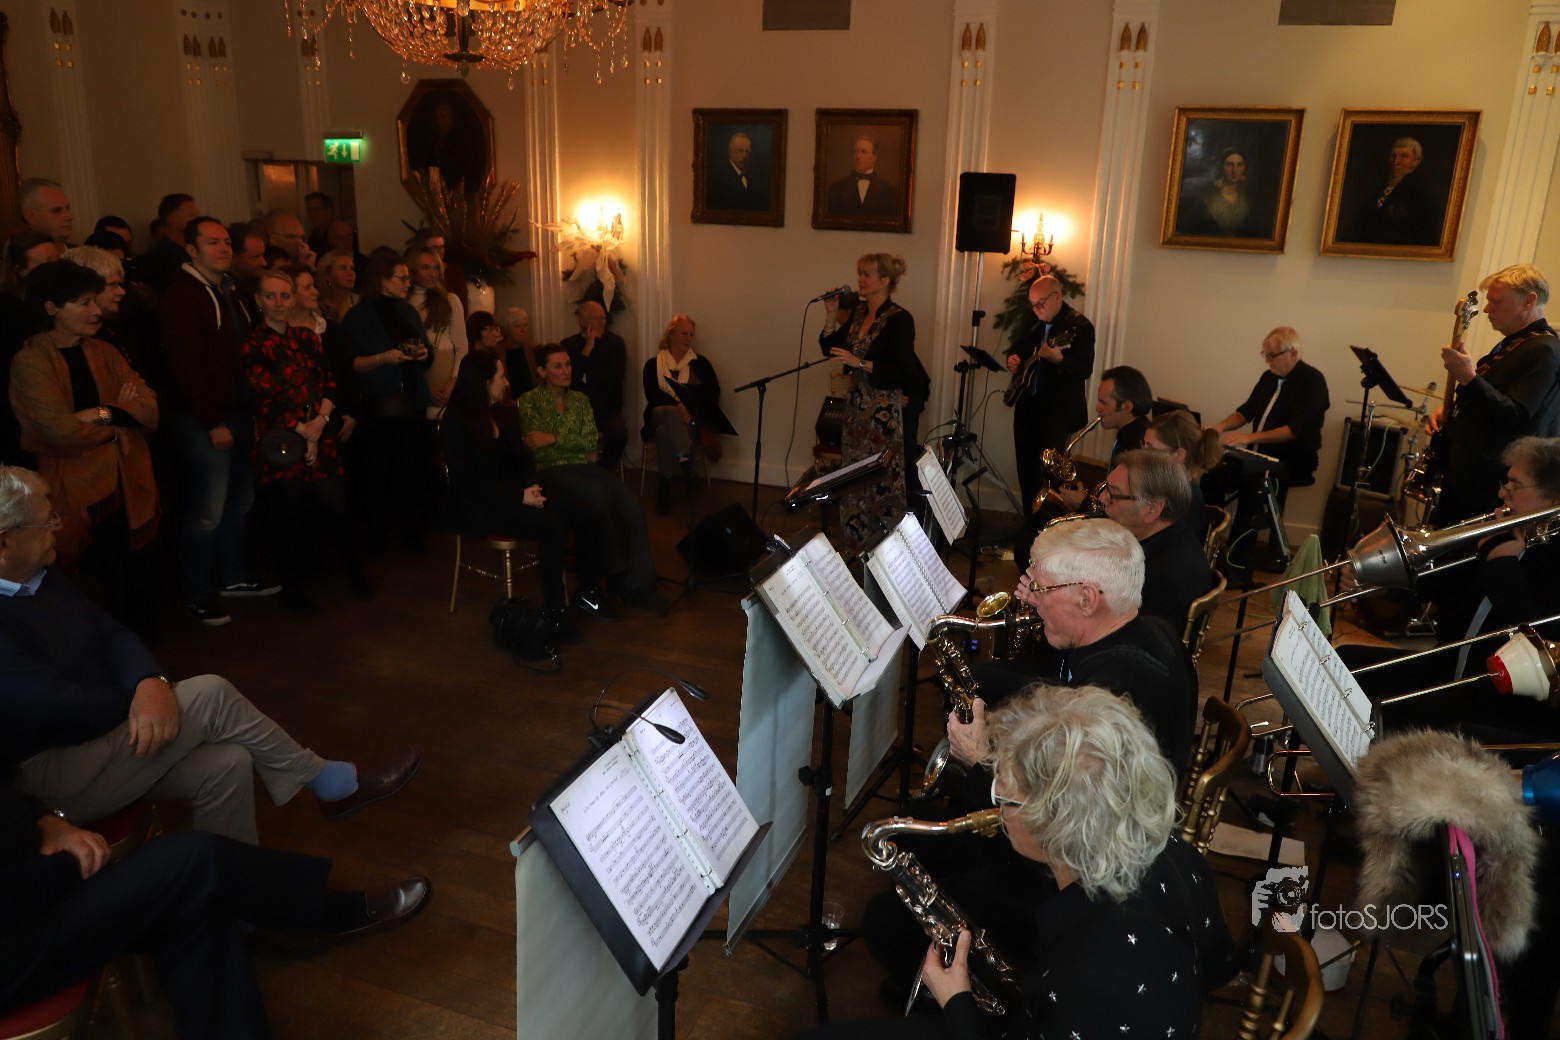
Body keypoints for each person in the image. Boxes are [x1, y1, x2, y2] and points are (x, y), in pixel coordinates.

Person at [0, 466, 422, 844]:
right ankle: (329, 782)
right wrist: (144, 700)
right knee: (210, 694)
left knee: (228, 762)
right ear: (4, 543)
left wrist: (150, 682)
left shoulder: (40, 575)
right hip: (53, 776)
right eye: (45, 521)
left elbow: (113, 636)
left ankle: (235, 897)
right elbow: (63, 707)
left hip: (101, 741)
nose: (56, 528)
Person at [818, 685, 1232, 1040]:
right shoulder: (1182, 857)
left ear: (1056, 823)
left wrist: (957, 1001)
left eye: (1005, 795)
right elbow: (1219, 967)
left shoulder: (1077, 980)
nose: (997, 803)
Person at [0, 778, 431, 1039]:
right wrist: (67, 865)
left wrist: (47, 820)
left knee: (194, 904)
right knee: (196, 859)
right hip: (14, 938)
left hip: (37, 879)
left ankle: (312, 914)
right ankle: (323, 914)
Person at [965, 518, 1198, 775]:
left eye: (1041, 588)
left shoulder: (1103, 701)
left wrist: (976, 758)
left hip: (1091, 790)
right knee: (974, 678)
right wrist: (1049, 608)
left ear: (1087, 599)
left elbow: (1055, 795)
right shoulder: (1155, 627)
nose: (1035, 597)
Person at [9, 260, 159, 635]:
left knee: (137, 573)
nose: (96, 310)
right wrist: (119, 421)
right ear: (52, 308)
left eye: (95, 300)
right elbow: (58, 431)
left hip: (125, 481)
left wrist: (100, 413)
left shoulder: (104, 351)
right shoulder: (31, 362)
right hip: (74, 490)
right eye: (83, 302)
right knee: (98, 581)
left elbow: (149, 408)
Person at [158, 217, 277, 626]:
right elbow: (185, 366)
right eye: (213, 243)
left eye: (226, 242)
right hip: (203, 418)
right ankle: (195, 594)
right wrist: (211, 420)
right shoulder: (183, 296)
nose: (224, 248)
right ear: (192, 249)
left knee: (240, 503)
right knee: (206, 511)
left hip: (239, 411)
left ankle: (233, 576)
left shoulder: (231, 289)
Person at [440, 352, 604, 632]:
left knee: (586, 512)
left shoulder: (501, 413)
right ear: (483, 383)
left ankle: (589, 592)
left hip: (513, 494)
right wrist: (520, 496)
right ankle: (554, 611)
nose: (506, 383)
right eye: (500, 377)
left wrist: (531, 487)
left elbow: (522, 460)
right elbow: (466, 485)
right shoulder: (456, 424)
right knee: (552, 526)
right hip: (478, 506)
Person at [242, 269, 368, 613]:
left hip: (319, 432)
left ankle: (357, 575)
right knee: (289, 516)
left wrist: (320, 423)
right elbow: (264, 399)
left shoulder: (307, 338)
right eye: (271, 296)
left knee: (339, 507)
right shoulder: (253, 345)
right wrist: (303, 430)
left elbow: (329, 383)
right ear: (259, 300)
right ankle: (292, 589)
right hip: (281, 441)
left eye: (284, 296)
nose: (278, 302)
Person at [517, 344, 666, 614]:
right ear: (542, 371)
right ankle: (615, 579)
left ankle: (641, 585)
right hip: (550, 470)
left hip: (583, 467)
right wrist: (570, 445)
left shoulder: (580, 400)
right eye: (557, 366)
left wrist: (553, 438)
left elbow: (591, 441)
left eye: (568, 364)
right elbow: (535, 446)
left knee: (631, 501)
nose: (566, 371)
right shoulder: (529, 401)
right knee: (600, 496)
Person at [1425, 264, 1559, 527]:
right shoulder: (1517, 343)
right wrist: (1454, 410)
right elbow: (1494, 400)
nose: (1487, 309)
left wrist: (1469, 378)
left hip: (1489, 490)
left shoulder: (1543, 349)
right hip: (1468, 482)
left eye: (1496, 302)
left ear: (1528, 301)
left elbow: (1517, 416)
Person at [818, 252, 928, 555]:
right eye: (860, 273)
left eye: (866, 274)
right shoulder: (858, 313)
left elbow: (902, 370)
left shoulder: (900, 319)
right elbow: (831, 348)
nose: (860, 280)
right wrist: (831, 314)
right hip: (856, 414)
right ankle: (855, 550)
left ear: (885, 281)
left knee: (881, 485)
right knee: (854, 482)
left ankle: (886, 556)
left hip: (882, 417)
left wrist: (860, 363)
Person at [1202, 326, 1330, 571]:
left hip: (1294, 459)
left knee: (1254, 488)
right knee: (1211, 476)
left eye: (1272, 355)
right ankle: (1208, 547)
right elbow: (1246, 411)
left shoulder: (1313, 381)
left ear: (1293, 353)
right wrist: (1220, 426)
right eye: (1266, 355)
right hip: (1259, 454)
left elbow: (1295, 430)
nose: (1268, 361)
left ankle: (1237, 565)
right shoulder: (1268, 378)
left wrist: (1248, 438)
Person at [341, 248, 435, 555]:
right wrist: (383, 358)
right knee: (379, 472)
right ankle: (378, 537)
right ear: (382, 279)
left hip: (411, 399)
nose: (408, 283)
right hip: (379, 404)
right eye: (402, 278)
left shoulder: (407, 311)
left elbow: (427, 353)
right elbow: (350, 365)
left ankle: (413, 533)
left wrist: (422, 353)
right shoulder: (357, 317)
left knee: (412, 470)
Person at [1004, 274, 1096, 528]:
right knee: (1026, 472)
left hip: (1056, 414)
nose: (1036, 309)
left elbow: (1084, 368)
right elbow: (1018, 348)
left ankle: (1049, 530)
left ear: (1057, 296)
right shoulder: (1037, 323)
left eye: (1040, 304)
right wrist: (1013, 359)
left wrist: (1060, 360)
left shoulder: (1079, 326)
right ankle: (1030, 526)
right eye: (1032, 304)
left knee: (1051, 478)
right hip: (1027, 410)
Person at [1102, 450, 1212, 627]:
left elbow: (1124, 636)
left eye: (1114, 493)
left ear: (1152, 509)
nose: (1102, 498)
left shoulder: (1164, 576)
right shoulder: (1174, 531)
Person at [643, 314, 720, 515]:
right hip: (660, 413)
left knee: (663, 432)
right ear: (671, 334)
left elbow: (713, 395)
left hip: (691, 422)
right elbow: (652, 395)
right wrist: (679, 407)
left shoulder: (700, 364)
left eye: (691, 335)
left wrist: (691, 410)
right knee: (670, 413)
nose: (688, 338)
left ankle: (665, 487)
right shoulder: (653, 364)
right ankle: (687, 468)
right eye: (684, 333)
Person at [561, 300, 628, 467]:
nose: (602, 322)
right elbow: (570, 381)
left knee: (619, 433)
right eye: (597, 319)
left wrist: (586, 378)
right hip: (576, 409)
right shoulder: (568, 345)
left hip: (607, 408)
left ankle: (602, 472)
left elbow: (615, 379)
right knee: (563, 433)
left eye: (603, 318)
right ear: (583, 321)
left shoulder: (615, 343)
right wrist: (587, 349)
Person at [406, 244, 467, 419]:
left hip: (447, 380)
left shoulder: (450, 300)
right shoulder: (403, 302)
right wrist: (424, 387)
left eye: (436, 268)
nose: (432, 273)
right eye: (425, 268)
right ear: (412, 269)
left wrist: (453, 382)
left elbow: (462, 347)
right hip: (417, 380)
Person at [1144, 407, 1222, 543]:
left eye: (1151, 448)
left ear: (1179, 455)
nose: (1142, 453)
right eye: (1144, 444)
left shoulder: (1182, 500)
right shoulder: (1164, 485)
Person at [1347, 136, 1440, 246]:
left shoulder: (1421, 194)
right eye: (1393, 156)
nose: (1396, 162)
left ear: (1416, 161)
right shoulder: (1379, 188)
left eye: (1404, 156)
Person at [826, 135, 902, 217]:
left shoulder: (890, 192)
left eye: (864, 152)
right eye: (856, 151)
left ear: (874, 157)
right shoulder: (835, 189)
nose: (858, 156)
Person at [139, 193, 199, 292]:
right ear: (172, 218)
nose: (197, 221)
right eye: (191, 216)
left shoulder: (193, 250)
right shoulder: (160, 254)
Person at [1197, 147, 1260, 237]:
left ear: (1245, 168)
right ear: (1221, 167)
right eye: (1229, 165)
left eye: (1240, 165)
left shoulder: (1249, 198)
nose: (1235, 170)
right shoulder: (1207, 198)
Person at [707, 130, 767, 210]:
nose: (744, 156)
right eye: (740, 151)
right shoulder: (719, 177)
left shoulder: (751, 177)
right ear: (731, 152)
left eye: (747, 152)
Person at [19, 178, 74, 245]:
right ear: (31, 216)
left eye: (67, 208)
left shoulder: (81, 251)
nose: (70, 216)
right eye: (56, 210)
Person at [317, 247, 360, 326]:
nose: (351, 273)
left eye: (352, 268)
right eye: (343, 268)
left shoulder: (360, 302)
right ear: (328, 276)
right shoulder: (318, 306)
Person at [497, 307, 533, 392]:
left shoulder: (532, 349)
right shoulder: (496, 352)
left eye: (525, 325)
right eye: (518, 326)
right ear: (506, 328)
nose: (523, 330)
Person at [304, 190, 335, 256]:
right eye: (308, 210)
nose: (311, 214)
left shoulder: (338, 232)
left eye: (316, 209)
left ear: (328, 211)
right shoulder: (313, 236)